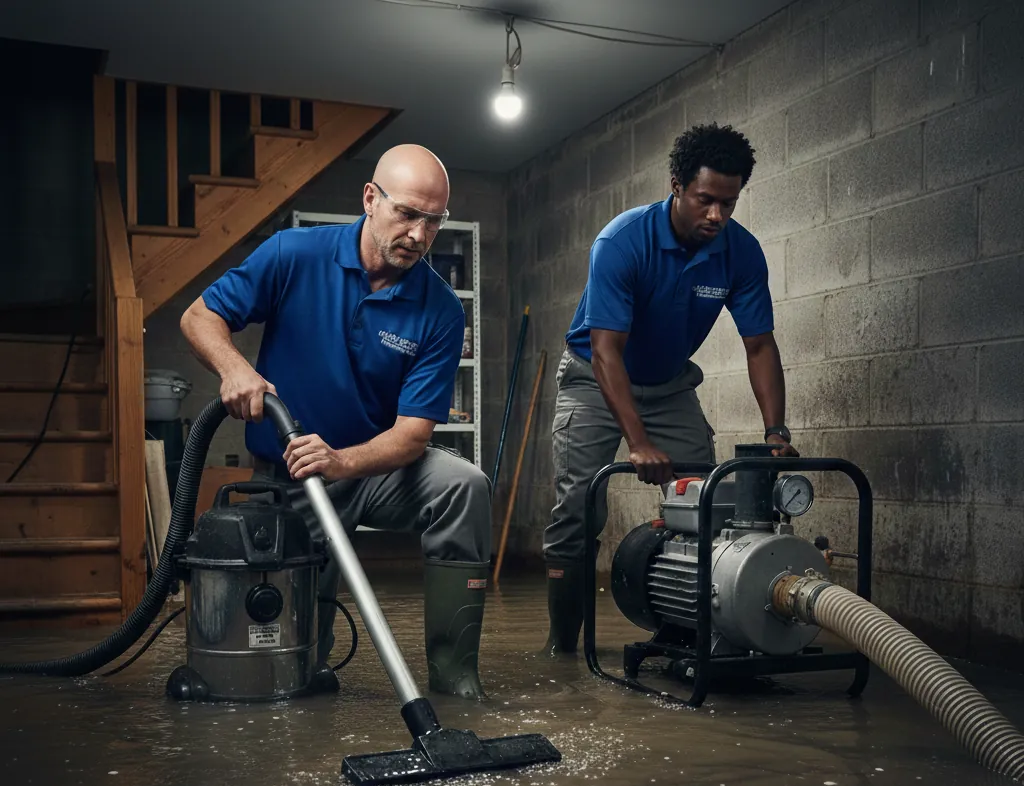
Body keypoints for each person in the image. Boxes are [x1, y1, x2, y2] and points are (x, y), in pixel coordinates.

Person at [180, 144, 491, 699]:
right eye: (407, 214)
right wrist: (235, 369)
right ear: (371, 199)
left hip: (373, 469)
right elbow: (200, 316)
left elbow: (413, 435)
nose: (419, 235)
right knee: (298, 667)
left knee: (465, 487)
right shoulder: (293, 254)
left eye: (434, 221)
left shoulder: (441, 309)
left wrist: (342, 461)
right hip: (291, 478)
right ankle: (303, 659)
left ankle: (455, 677)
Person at [543, 122, 798, 656]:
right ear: (677, 184)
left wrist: (775, 432)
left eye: (729, 204)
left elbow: (759, 346)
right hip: (596, 377)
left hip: (668, 382)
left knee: (710, 501)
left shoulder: (741, 253)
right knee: (576, 513)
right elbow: (607, 349)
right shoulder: (622, 241)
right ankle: (563, 648)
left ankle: (695, 635)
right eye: (706, 200)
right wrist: (636, 441)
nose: (717, 216)